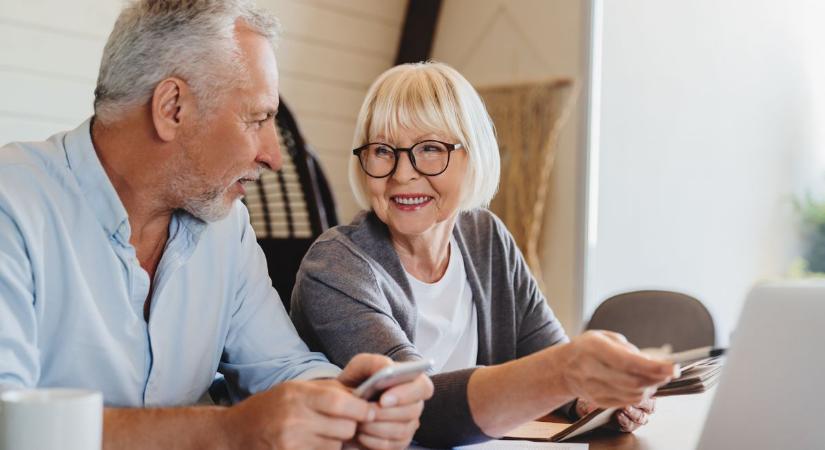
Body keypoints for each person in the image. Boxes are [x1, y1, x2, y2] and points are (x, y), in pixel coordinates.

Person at [0, 1, 432, 449]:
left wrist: (349, 401)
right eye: (258, 118)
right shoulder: (12, 206)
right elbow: (6, 426)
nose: (274, 156)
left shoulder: (226, 228)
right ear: (172, 107)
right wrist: (227, 431)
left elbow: (281, 368)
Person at [290, 61, 677, 447]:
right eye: (382, 150)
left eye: (429, 149)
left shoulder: (487, 237)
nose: (402, 174)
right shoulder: (334, 266)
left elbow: (551, 356)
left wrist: (591, 397)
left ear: (472, 155)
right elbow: (414, 407)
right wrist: (568, 373)